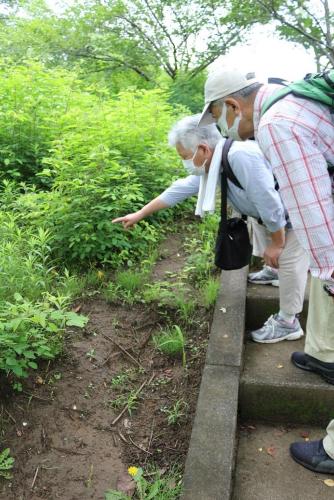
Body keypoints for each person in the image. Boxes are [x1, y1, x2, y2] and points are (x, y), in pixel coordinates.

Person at [198, 67, 334, 473]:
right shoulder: (294, 100)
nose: (223, 125)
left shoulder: (277, 124)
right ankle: (321, 355)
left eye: (221, 114)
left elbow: (312, 212)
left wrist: (330, 274)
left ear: (234, 105)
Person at [113, 114, 309, 343]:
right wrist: (140, 213)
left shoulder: (241, 156)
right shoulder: (217, 160)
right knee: (274, 251)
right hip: (269, 214)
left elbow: (270, 203)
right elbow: (182, 188)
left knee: (290, 261)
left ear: (203, 148)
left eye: (185, 156)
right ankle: (273, 271)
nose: (184, 162)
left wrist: (278, 243)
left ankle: (288, 322)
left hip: (295, 212)